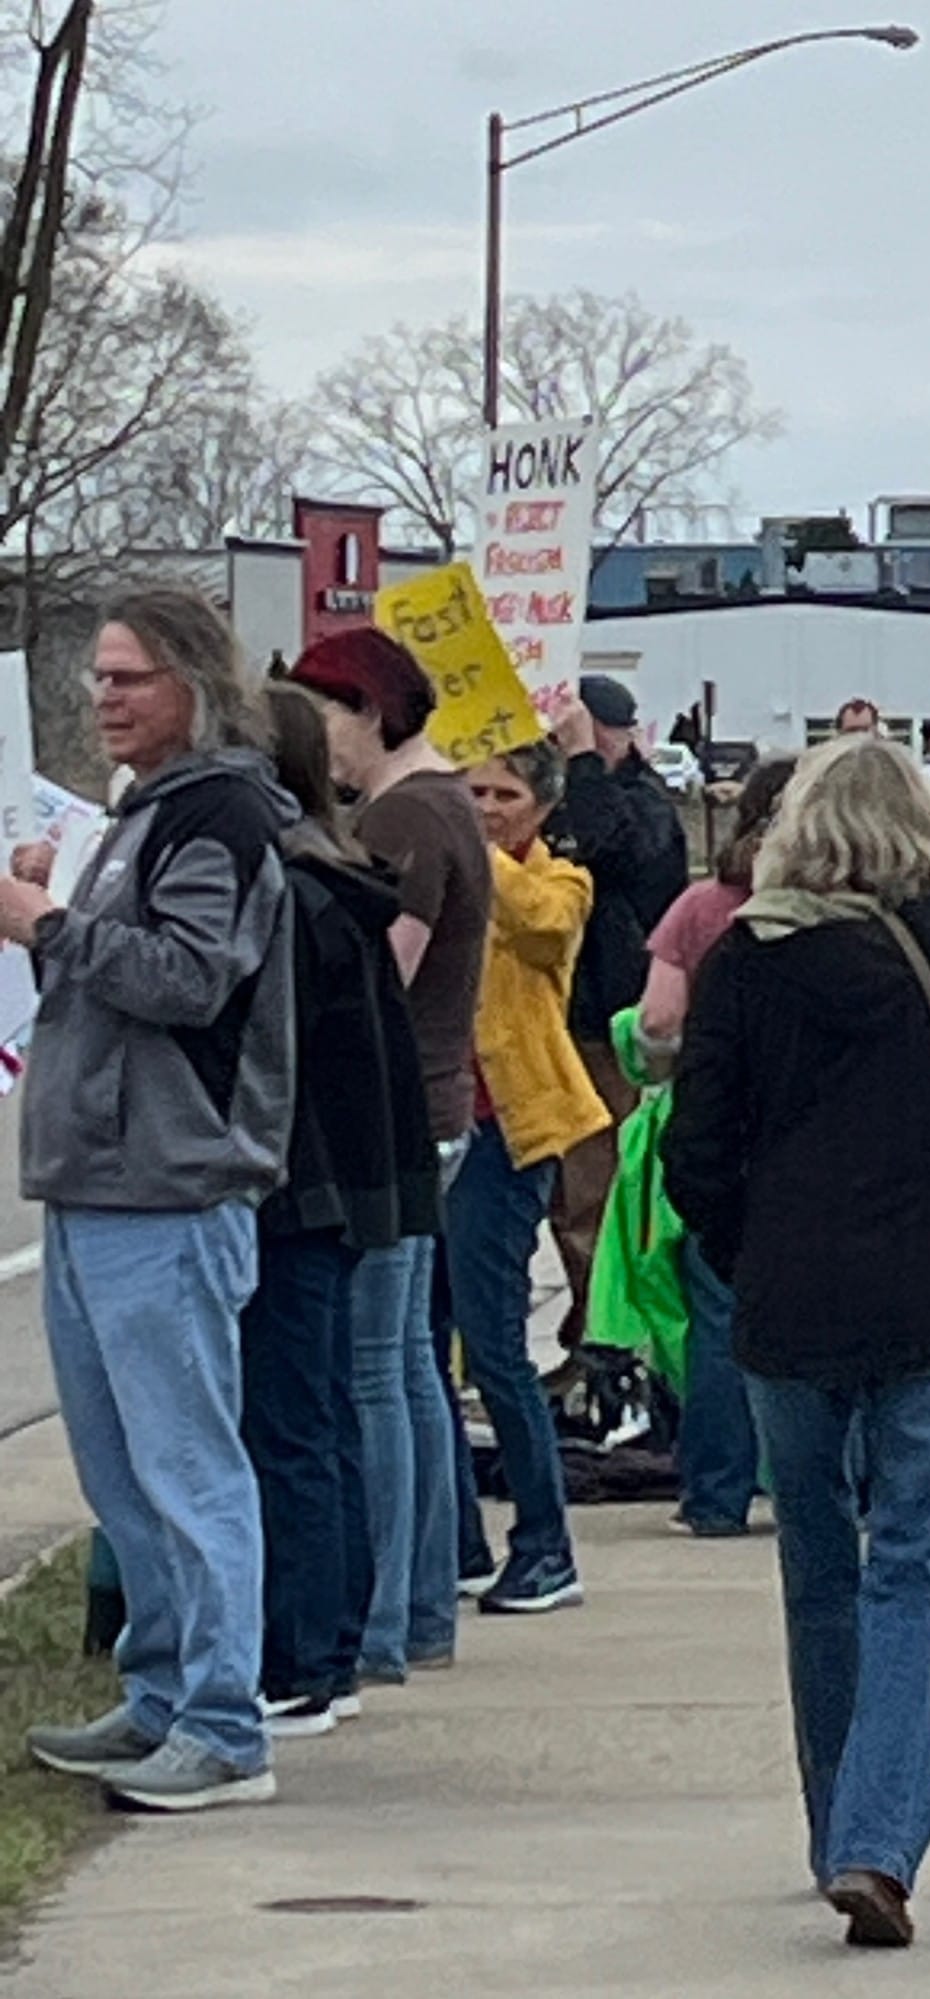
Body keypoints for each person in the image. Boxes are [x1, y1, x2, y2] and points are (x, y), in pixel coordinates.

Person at [663, 734, 930, 1949]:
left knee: (816, 1565)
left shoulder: (744, 964)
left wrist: (742, 1246)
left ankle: (839, 1821)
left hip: (787, 1296)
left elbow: (696, 1153)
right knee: (909, 1566)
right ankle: (878, 1841)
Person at [6, 587, 295, 1812]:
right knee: (122, 1472)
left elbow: (187, 978)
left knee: (186, 1465)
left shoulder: (218, 817)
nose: (105, 699)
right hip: (95, 1180)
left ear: (191, 682)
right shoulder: (145, 816)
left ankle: (225, 1722)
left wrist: (50, 922)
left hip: (169, 1184)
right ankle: (166, 1689)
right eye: (99, 680)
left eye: (128, 678)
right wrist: (57, 911)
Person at [244, 684, 440, 1736]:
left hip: (298, 1171)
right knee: (338, 1406)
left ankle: (305, 1655)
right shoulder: (341, 875)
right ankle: (350, 1637)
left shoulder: (292, 891)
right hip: (356, 1169)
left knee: (299, 1418)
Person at [291, 628, 486, 1674]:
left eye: (323, 714)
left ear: (369, 710)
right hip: (440, 1101)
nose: (319, 741)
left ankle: (384, 1619)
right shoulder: (450, 799)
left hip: (401, 1104)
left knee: (376, 1369)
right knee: (406, 1363)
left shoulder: (405, 814)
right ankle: (417, 1607)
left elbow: (381, 976)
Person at [448, 740, 607, 1612]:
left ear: (539, 809)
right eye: (469, 791)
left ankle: (546, 1543)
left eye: (502, 795)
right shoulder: (437, 867)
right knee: (419, 1347)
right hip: (433, 1128)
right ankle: (456, 1537)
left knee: (495, 1342)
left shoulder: (558, 882)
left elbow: (542, 930)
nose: (482, 807)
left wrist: (473, 852)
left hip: (510, 1131)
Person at [640, 756, 797, 1537]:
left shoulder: (701, 908)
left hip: (717, 1123)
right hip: (806, 1128)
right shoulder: (830, 907)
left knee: (716, 1311)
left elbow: (655, 1024)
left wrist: (671, 1072)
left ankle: (714, 1492)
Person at [544, 676, 688, 1353]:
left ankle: (612, 1344)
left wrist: (580, 764)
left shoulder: (645, 804)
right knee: (567, 1197)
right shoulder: (560, 797)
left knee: (599, 1196)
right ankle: (587, 1335)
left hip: (610, 1021)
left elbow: (608, 844)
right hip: (559, 1019)